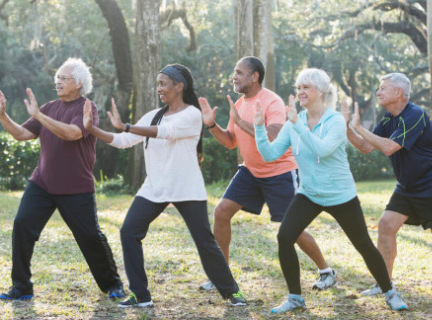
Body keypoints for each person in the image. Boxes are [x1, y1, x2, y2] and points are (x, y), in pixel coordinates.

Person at [83, 63, 246, 308]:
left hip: (186, 187)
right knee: (129, 232)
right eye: (157, 83)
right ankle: (141, 295)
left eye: (163, 84)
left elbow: (165, 132)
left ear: (179, 86)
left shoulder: (191, 115)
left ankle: (232, 292)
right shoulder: (153, 115)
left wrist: (125, 125)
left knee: (204, 241)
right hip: (155, 188)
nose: (158, 88)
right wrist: (93, 129)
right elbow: (124, 140)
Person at [253, 68, 408, 313]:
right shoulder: (295, 122)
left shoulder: (335, 120)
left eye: (306, 87)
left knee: (363, 244)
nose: (300, 91)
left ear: (321, 91)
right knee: (284, 237)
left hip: (341, 196)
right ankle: (295, 297)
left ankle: (390, 292)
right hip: (309, 194)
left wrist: (297, 124)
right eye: (298, 88)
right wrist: (259, 128)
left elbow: (322, 150)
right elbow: (270, 154)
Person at [198, 56, 335, 292]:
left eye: (239, 72)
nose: (234, 76)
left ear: (254, 76)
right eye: (235, 72)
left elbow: (272, 135)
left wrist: (241, 123)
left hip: (279, 171)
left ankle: (326, 271)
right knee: (221, 212)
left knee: (292, 229)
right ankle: (221, 275)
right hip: (251, 171)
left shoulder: (271, 101)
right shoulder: (239, 106)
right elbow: (231, 142)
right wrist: (211, 126)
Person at [342, 72, 432, 298]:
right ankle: (384, 284)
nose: (378, 92)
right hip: (407, 186)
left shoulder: (415, 114)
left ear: (399, 93)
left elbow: (389, 148)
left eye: (383, 88)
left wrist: (360, 128)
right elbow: (366, 147)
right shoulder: (388, 119)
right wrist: (347, 127)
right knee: (386, 225)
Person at [0, 58, 124, 301]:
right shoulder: (48, 107)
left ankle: (112, 285)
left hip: (76, 186)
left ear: (78, 84)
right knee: (23, 226)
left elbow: (72, 133)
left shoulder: (87, 108)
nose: (57, 81)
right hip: (42, 183)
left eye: (63, 78)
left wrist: (38, 115)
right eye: (56, 77)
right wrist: (3, 116)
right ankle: (22, 287)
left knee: (90, 237)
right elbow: (23, 133)